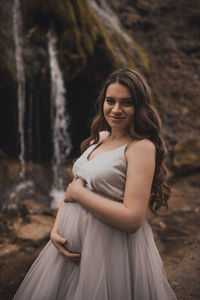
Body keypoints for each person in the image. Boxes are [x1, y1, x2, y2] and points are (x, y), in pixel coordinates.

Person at [13, 68, 177, 300]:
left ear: (139, 108)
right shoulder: (99, 139)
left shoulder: (140, 147)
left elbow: (133, 219)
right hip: (70, 252)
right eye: (111, 101)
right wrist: (56, 229)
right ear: (103, 102)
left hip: (110, 253)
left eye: (126, 103)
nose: (116, 109)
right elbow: (73, 188)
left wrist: (80, 196)